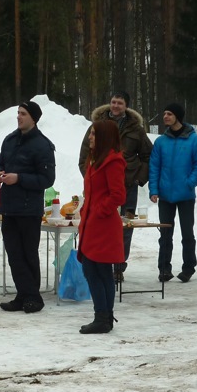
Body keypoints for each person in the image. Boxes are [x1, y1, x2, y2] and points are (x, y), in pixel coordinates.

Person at [77, 91, 153, 282]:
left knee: (125, 226)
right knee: (99, 224)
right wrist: (92, 178)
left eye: (120, 103)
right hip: (101, 187)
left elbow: (148, 156)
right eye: (113, 102)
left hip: (127, 185)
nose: (116, 106)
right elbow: (85, 154)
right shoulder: (97, 126)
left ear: (126, 106)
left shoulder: (136, 129)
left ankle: (119, 266)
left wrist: (138, 179)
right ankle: (99, 262)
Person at [0, 100, 56, 313]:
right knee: (14, 254)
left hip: (29, 209)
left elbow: (47, 179)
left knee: (28, 253)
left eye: (23, 114)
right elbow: (0, 162)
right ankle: (23, 295)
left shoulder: (42, 145)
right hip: (9, 206)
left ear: (34, 118)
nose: (19, 117)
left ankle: (33, 297)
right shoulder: (10, 140)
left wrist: (19, 178)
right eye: (18, 113)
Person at [148, 102, 197, 282]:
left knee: (187, 233)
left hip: (186, 195)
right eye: (165, 113)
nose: (165, 116)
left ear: (178, 117)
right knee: (165, 234)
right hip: (165, 195)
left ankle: (189, 268)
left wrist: (189, 183)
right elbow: (154, 167)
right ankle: (164, 268)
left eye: (169, 114)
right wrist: (154, 189)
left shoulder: (194, 140)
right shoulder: (160, 142)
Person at [77, 120, 127, 334]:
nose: (90, 137)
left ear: (105, 137)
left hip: (103, 224)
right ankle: (104, 317)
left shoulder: (113, 161)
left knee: (97, 269)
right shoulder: (94, 159)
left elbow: (118, 194)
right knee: (96, 270)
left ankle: (103, 317)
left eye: (94, 134)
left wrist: (99, 210)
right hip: (92, 222)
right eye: (90, 134)